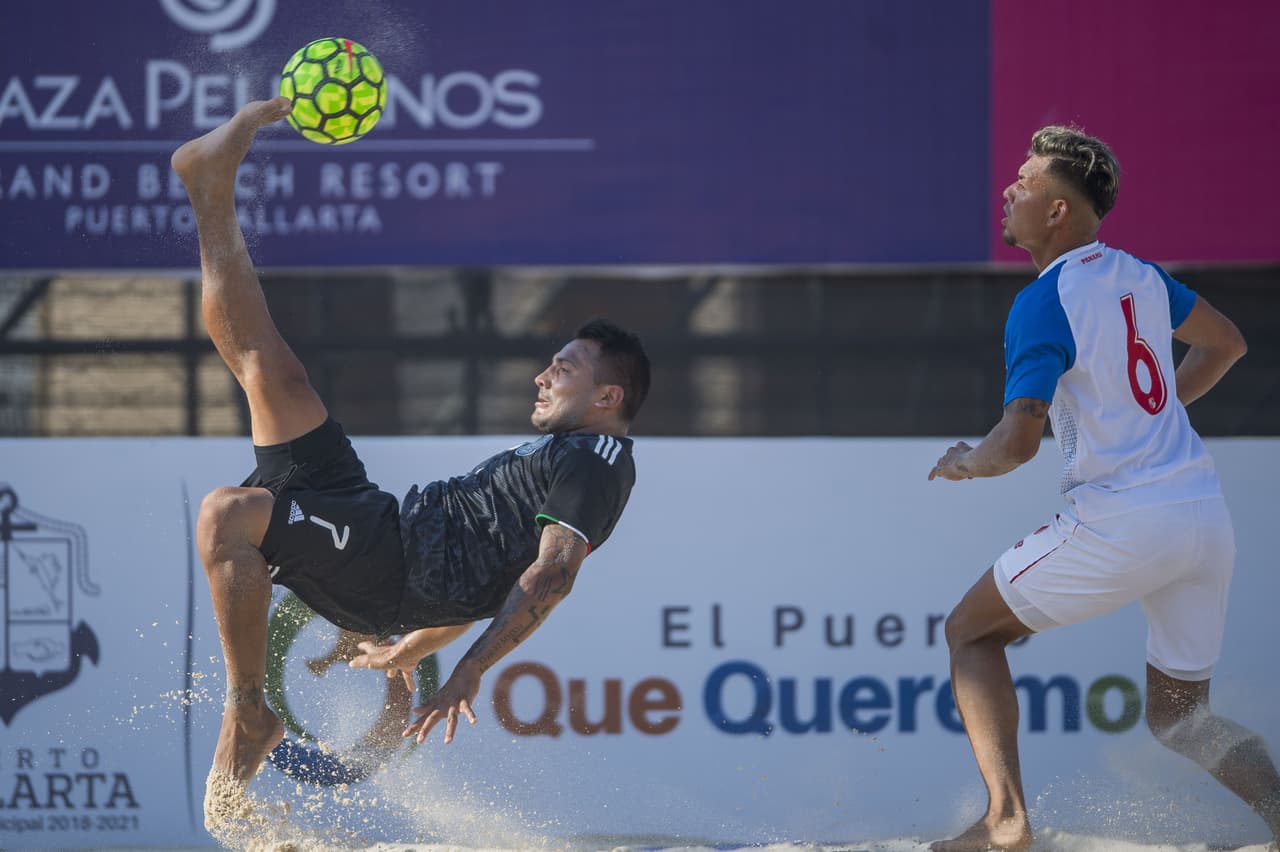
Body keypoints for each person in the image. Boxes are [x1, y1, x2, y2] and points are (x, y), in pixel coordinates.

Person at [170, 97, 650, 835]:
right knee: (271, 370)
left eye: (562, 369)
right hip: (380, 521)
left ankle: (249, 713)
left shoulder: (597, 459)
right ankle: (211, 191)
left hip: (385, 564)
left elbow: (547, 576)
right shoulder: (571, 453)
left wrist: (466, 671)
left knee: (225, 515)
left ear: (607, 396)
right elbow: (492, 566)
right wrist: (423, 643)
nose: (542, 377)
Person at [927, 125, 1280, 851]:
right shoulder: (1142, 276)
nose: (1009, 189)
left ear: (1057, 210)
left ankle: (1005, 822)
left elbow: (1016, 445)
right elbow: (1227, 343)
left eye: (1023, 181)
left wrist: (964, 461)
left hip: (1125, 519)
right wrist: (1160, 416)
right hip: (1203, 518)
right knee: (1181, 717)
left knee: (969, 632)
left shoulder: (1043, 300)